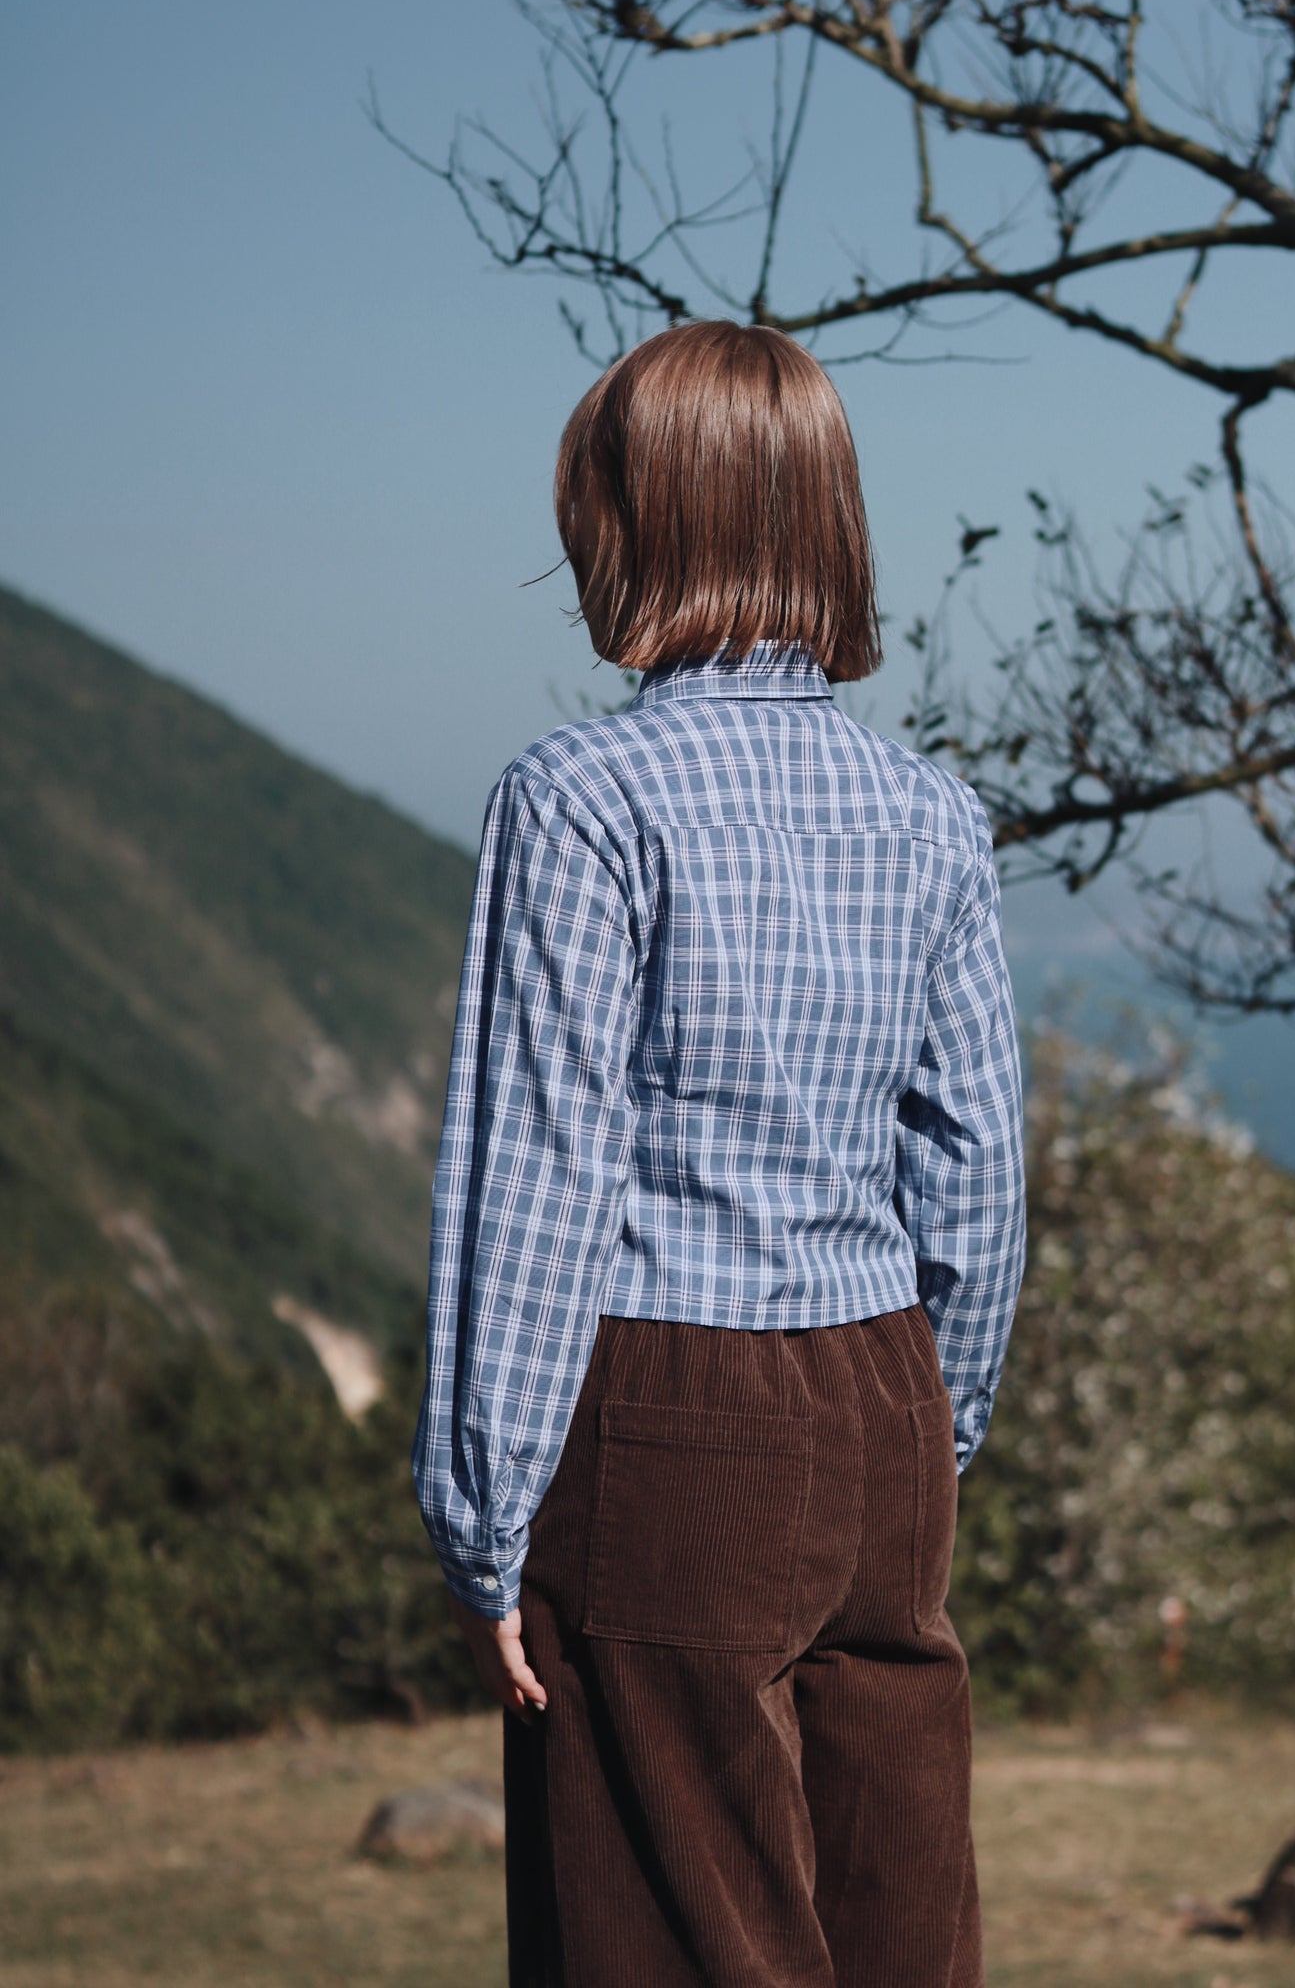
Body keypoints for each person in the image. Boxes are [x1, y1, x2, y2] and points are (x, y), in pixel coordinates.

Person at [413, 321, 1028, 1988]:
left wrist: (481, 1520)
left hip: (671, 1406)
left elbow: (540, 1180)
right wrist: (929, 1425)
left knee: (676, 1941)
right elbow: (972, 1167)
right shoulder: (931, 814)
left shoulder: (582, 800)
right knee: (900, 1926)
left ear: (628, 522)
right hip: (885, 1401)